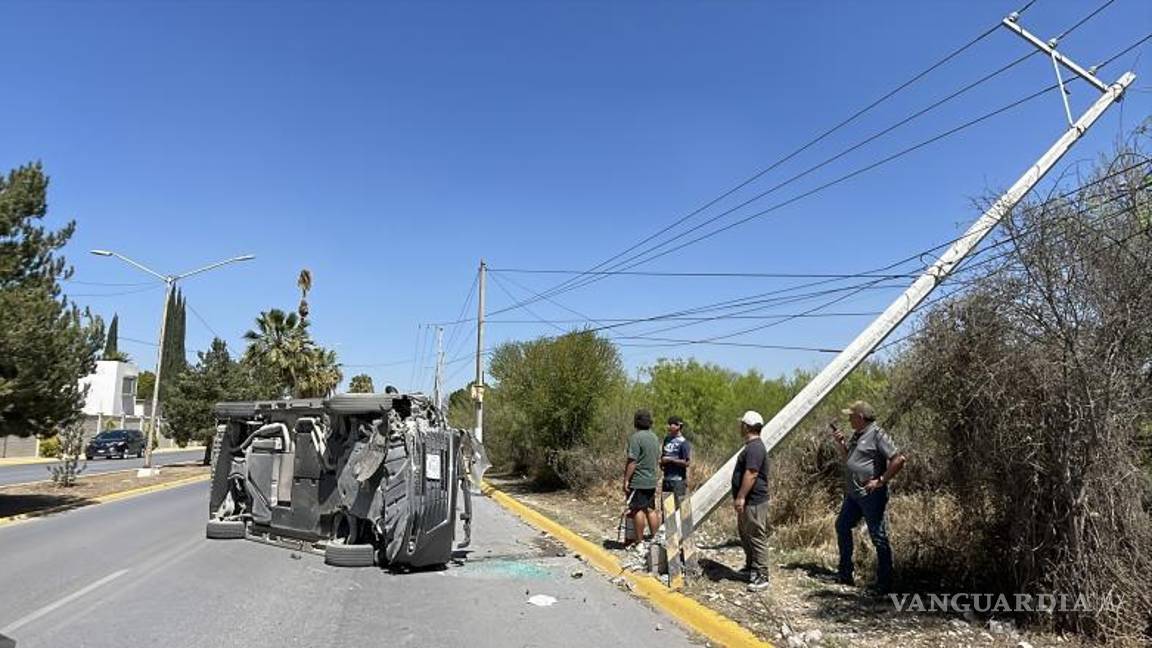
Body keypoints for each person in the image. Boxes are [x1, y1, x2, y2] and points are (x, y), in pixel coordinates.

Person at [830, 400, 906, 595]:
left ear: (861, 417)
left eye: (851, 416)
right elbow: (850, 460)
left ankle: (884, 583)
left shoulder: (877, 434)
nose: (849, 419)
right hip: (854, 494)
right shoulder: (858, 435)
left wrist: (880, 480)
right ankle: (845, 573)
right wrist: (841, 444)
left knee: (878, 537)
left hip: (871, 495)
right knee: (842, 526)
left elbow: (899, 459)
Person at [732, 410, 771, 592]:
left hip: (754, 500)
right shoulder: (751, 446)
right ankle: (751, 568)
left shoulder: (755, 448)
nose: (740, 427)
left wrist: (741, 496)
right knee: (746, 534)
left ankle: (762, 575)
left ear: (747, 427)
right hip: (749, 500)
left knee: (756, 535)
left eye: (742, 424)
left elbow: (752, 473)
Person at [623, 409, 661, 547]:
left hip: (638, 480)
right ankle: (656, 540)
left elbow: (632, 461)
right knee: (650, 509)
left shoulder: (636, 438)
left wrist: (626, 479)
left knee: (637, 510)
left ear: (636, 422)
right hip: (651, 479)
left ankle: (639, 541)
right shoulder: (654, 437)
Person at [660, 415, 692, 509]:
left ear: (678, 426)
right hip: (667, 481)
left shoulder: (684, 442)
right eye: (668, 424)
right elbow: (663, 455)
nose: (669, 427)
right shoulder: (667, 440)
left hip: (679, 482)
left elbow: (687, 463)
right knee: (667, 510)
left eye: (671, 424)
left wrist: (671, 460)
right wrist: (662, 462)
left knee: (682, 510)